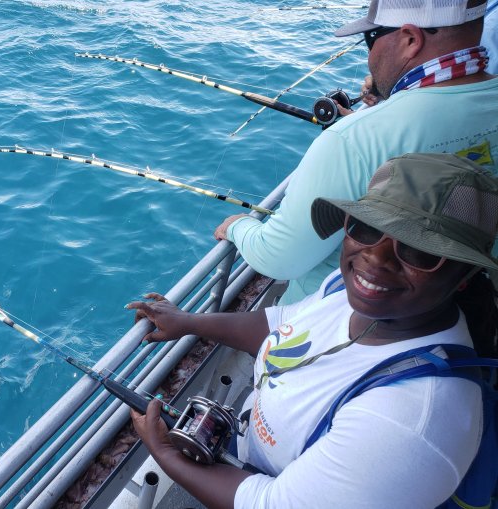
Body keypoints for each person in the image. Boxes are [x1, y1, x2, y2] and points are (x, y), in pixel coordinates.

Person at [128, 153, 498, 509]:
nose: (376, 258)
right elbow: (283, 324)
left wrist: (164, 452)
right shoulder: (353, 292)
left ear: (463, 275)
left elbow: (272, 503)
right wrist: (189, 322)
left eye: (419, 251)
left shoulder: (408, 421)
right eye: (367, 228)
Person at [214, 0, 498, 305]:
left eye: (370, 38)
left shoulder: (354, 139)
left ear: (410, 40)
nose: (369, 55)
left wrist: (238, 227)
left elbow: (279, 259)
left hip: (346, 312)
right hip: (466, 300)